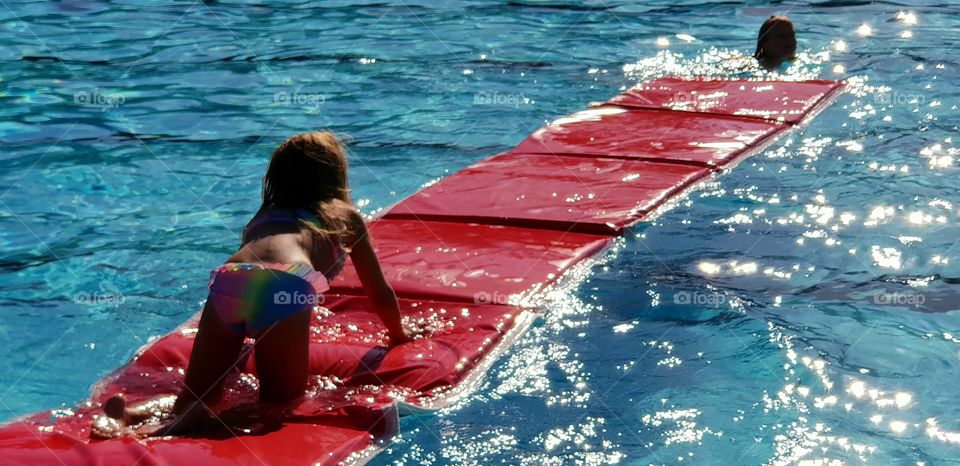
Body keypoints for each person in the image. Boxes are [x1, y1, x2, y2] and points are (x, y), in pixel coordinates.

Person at [99, 131, 411, 437]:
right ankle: (206, 422)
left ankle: (130, 413)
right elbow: (379, 292)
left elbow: (256, 276)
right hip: (286, 283)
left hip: (230, 276)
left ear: (277, 179)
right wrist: (399, 335)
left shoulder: (264, 215)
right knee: (281, 403)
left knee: (196, 394)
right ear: (334, 177)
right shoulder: (344, 216)